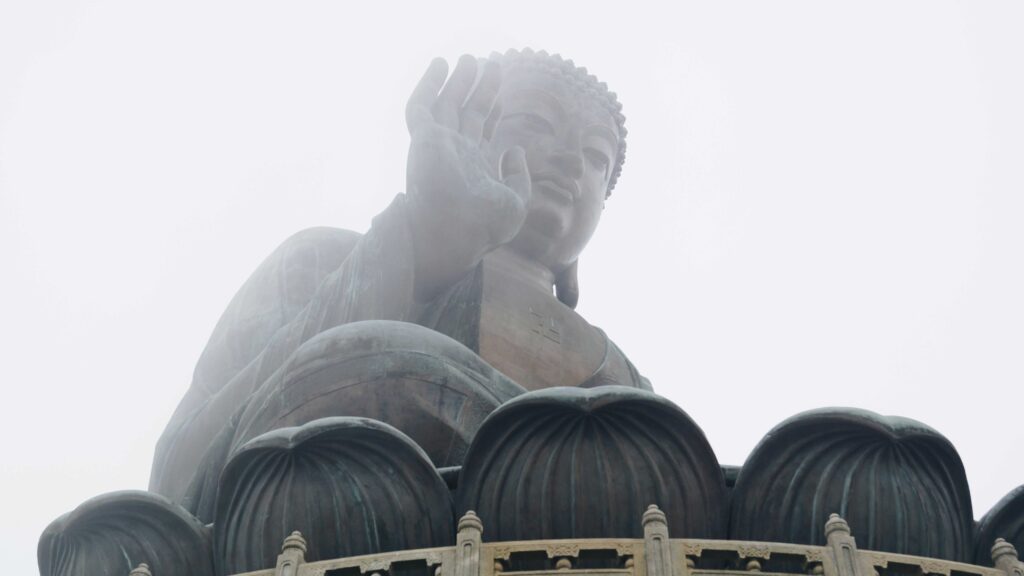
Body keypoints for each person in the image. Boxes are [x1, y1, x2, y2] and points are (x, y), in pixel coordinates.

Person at [150, 49, 651, 518]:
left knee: (657, 448)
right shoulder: (324, 260)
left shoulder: (626, 376)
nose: (569, 160)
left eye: (597, 157)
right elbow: (178, 484)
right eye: (536, 122)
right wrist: (424, 245)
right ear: (471, 128)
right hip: (337, 527)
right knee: (366, 361)